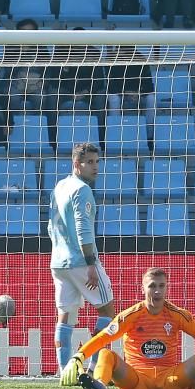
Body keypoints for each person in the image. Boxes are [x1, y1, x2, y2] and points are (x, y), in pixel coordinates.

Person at [60, 267, 195, 389]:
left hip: (171, 380)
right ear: (143, 289)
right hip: (135, 381)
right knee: (106, 354)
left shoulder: (177, 314)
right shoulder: (129, 316)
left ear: (167, 288)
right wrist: (79, 357)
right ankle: (100, 386)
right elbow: (104, 337)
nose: (157, 291)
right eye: (152, 286)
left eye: (161, 286)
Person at [49, 143, 117, 373]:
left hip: (59, 262)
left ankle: (64, 370)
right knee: (107, 311)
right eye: (90, 162)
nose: (95, 167)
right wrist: (90, 264)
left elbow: (51, 226)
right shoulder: (82, 190)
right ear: (76, 164)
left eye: (97, 162)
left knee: (66, 315)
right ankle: (94, 367)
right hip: (81, 260)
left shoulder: (60, 186)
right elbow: (83, 229)